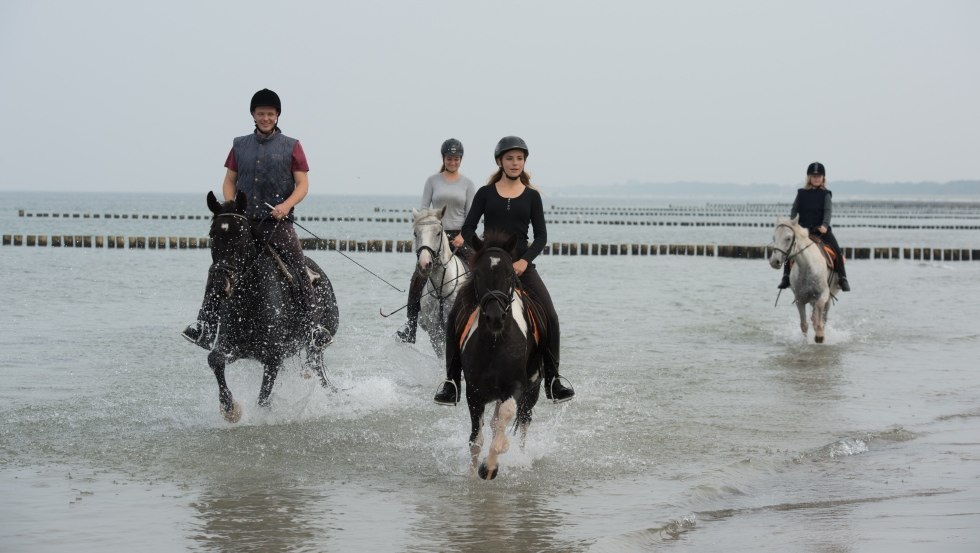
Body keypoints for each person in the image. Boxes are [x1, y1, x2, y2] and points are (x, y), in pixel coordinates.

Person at [182, 88, 330, 349]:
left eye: (270, 114)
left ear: (277, 115)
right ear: (253, 114)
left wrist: (285, 205)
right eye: (261, 113)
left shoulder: (292, 146)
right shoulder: (239, 145)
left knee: (297, 265)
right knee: (220, 265)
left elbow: (303, 184)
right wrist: (231, 208)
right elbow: (229, 180)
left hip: (277, 223)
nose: (265, 118)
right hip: (246, 222)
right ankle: (204, 325)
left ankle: (312, 326)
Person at [433, 136, 575, 405]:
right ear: (500, 161)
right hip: (490, 268)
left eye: (519, 158)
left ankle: (554, 380)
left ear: (524, 162)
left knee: (552, 317)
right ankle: (451, 382)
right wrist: (481, 255)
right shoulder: (486, 193)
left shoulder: (532, 197)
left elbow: (541, 237)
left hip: (522, 266)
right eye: (509, 158)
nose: (514, 163)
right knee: (454, 316)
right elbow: (468, 228)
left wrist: (524, 260)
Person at [396, 139, 477, 343]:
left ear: (461, 160)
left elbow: (472, 215)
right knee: (418, 276)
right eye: (449, 158)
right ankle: (411, 326)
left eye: (456, 158)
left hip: (460, 235)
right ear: (444, 159)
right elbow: (424, 210)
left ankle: (481, 319)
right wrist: (426, 232)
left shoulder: (468, 184)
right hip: (434, 234)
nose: (453, 161)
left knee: (478, 271)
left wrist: (463, 236)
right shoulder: (432, 181)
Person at [778, 161, 851, 292]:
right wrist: (794, 224)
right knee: (789, 248)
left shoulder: (826, 194)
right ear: (809, 178)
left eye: (819, 176)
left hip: (821, 231)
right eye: (813, 176)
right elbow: (794, 210)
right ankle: (786, 276)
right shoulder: (801, 193)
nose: (816, 178)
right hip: (803, 231)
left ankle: (842, 278)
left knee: (837, 251)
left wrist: (824, 225)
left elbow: (828, 211)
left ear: (823, 178)